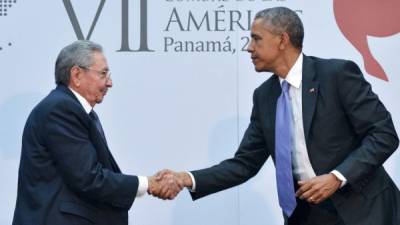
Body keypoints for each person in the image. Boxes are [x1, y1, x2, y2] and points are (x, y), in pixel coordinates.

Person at [151, 7, 400, 225]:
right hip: (308, 216)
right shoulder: (265, 96)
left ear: (282, 40)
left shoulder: (336, 75)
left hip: (365, 212)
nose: (249, 47)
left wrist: (337, 177)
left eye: (256, 39)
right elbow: (244, 164)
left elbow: (384, 135)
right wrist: (185, 178)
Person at [12, 40, 181, 225]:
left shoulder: (73, 110)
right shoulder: (60, 109)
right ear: (76, 74)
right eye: (103, 74)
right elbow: (88, 178)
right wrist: (149, 184)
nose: (110, 82)